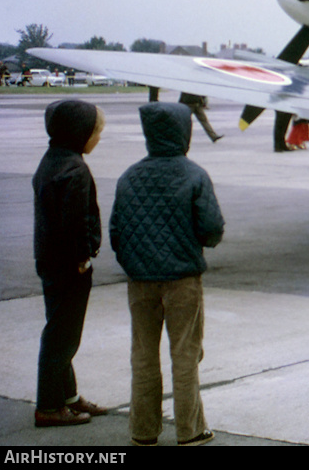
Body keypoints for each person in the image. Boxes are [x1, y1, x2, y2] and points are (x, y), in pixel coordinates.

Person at [110, 102, 224, 447]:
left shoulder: (129, 175)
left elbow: (117, 232)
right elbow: (212, 228)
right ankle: (190, 430)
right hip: (182, 280)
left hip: (140, 281)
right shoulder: (193, 174)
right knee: (185, 355)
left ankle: (144, 430)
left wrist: (137, 263)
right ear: (184, 132)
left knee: (143, 355)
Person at [33, 99, 108, 428]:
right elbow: (75, 222)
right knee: (63, 337)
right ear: (79, 133)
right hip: (69, 265)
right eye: (96, 131)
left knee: (60, 329)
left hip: (49, 259)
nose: (99, 137)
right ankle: (49, 406)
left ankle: (67, 396)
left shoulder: (53, 160)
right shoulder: (75, 169)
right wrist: (83, 256)